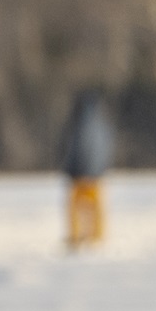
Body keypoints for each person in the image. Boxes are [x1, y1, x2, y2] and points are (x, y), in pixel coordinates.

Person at [60, 87, 114, 251]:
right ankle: (97, 235)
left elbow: (75, 149)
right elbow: (108, 148)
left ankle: (77, 236)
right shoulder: (103, 125)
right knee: (97, 207)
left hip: (81, 174)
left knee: (75, 206)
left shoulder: (78, 125)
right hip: (97, 175)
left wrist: (72, 169)